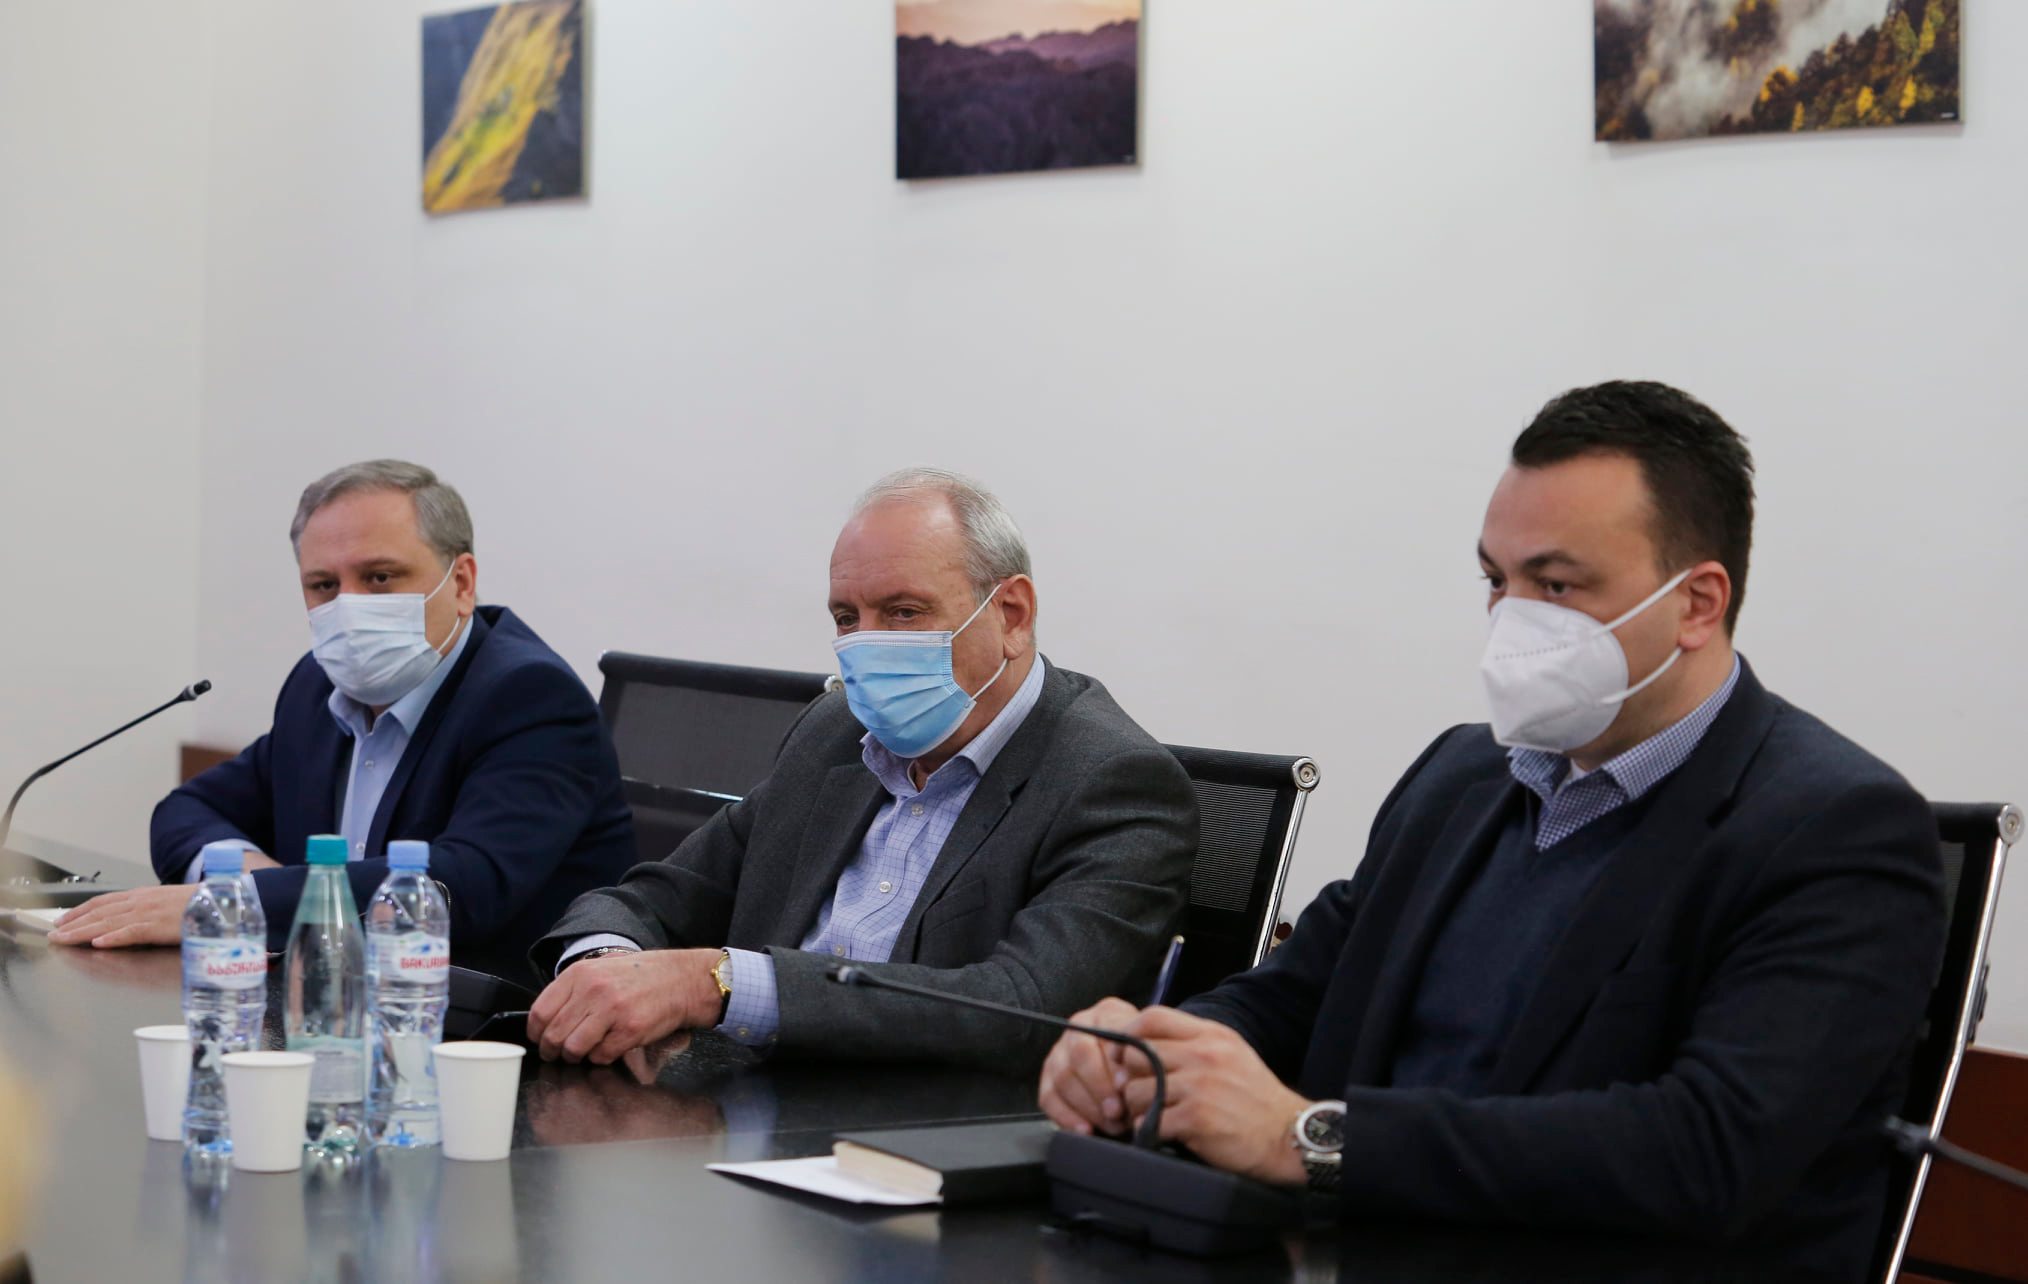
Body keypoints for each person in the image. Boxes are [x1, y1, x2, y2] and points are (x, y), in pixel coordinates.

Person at [1037, 382, 1945, 1280]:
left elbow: (1705, 1149)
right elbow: (1295, 995)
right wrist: (1153, 1055)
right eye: (1496, 581)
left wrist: (1308, 1138)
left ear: (1698, 603)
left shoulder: (1836, 829)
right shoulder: (1461, 776)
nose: (1513, 619)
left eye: (1556, 584)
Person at [529, 467, 1196, 1070]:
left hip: (918, 1132)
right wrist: (607, 970)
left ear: (1012, 615)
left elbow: (1020, 1007)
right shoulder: (834, 732)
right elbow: (656, 898)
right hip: (739, 1098)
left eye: (903, 612)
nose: (868, 645)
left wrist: (718, 985)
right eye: (848, 618)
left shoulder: (1115, 783)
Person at [51, 460, 636, 980]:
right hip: (328, 1002)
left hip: (490, 1030)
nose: (348, 607)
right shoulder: (318, 685)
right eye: (324, 585)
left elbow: (462, 885)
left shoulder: (528, 697)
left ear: (461, 584)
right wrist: (246, 878)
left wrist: (240, 902)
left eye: (380, 577)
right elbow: (187, 810)